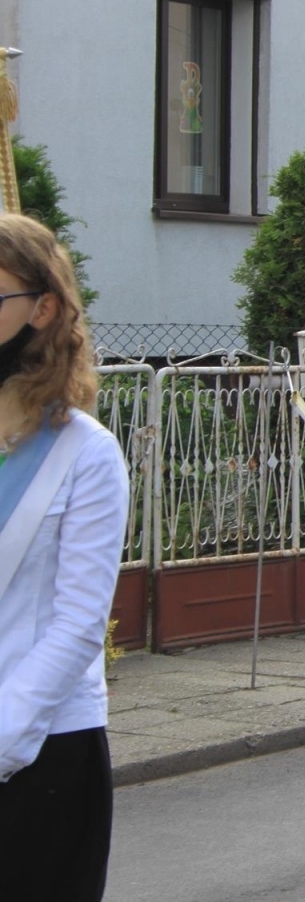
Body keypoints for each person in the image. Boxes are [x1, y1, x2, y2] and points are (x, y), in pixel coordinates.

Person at [0, 214, 128, 902]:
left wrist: (4, 734)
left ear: (42, 308)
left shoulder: (86, 453)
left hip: (43, 750)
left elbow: (79, 622)